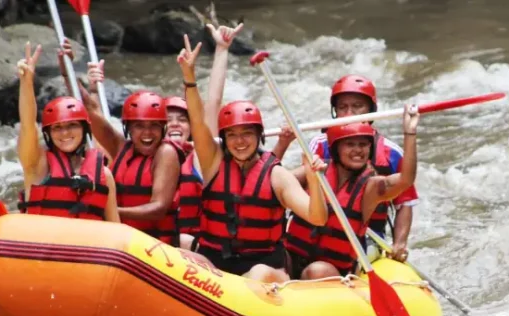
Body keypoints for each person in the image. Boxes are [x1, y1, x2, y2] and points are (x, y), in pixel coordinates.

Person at [177, 36, 329, 282]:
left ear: (259, 136)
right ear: (224, 139)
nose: (239, 142)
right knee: (178, 250)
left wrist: (313, 180)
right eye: (233, 135)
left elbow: (318, 217)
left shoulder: (277, 175)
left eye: (247, 134)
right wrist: (189, 78)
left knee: (256, 275)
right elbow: (197, 121)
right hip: (216, 264)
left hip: (264, 268)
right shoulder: (212, 162)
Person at [278, 75, 419, 262]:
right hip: (313, 228)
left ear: (371, 109)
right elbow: (280, 184)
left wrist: (399, 243)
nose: (349, 113)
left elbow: (404, 203)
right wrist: (283, 143)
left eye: (357, 106)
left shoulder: (392, 153)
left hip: (367, 236)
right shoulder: (319, 145)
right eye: (343, 107)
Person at [284, 114, 419, 281]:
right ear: (336, 148)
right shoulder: (313, 171)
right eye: (350, 144)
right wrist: (282, 143)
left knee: (316, 271)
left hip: (332, 271)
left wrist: (410, 133)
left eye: (363, 144)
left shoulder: (371, 188)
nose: (358, 150)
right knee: (273, 258)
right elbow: (275, 182)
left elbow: (406, 179)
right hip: (294, 257)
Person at [14, 42, 119, 222]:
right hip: (43, 246)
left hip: (85, 247)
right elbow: (27, 125)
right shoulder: (37, 165)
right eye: (57, 128)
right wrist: (26, 83)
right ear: (48, 133)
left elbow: (115, 226)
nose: (64, 133)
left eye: (72, 126)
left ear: (84, 128)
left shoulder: (104, 175)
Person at [83, 69, 185, 245]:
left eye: (154, 125)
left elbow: (158, 208)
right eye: (139, 126)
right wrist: (65, 72)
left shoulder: (166, 152)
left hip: (156, 245)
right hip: (123, 239)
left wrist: (111, 212)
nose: (147, 133)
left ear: (163, 128)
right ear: (128, 128)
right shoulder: (121, 147)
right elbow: (90, 111)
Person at [172, 23, 245, 250]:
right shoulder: (147, 156)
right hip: (157, 249)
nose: (174, 124)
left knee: (181, 240)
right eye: (167, 120)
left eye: (182, 119)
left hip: (200, 248)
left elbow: (212, 103)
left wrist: (222, 49)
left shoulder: (201, 157)